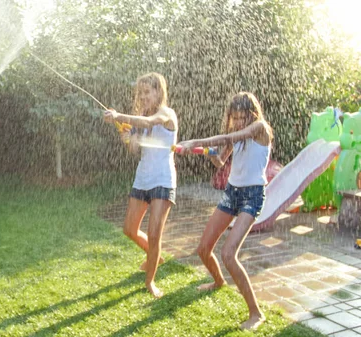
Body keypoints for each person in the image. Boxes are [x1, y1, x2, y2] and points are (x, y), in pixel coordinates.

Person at [177, 91, 273, 330]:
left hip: (252, 195)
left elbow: (233, 135)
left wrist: (197, 142)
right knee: (203, 249)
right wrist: (206, 154)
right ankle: (218, 282)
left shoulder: (259, 128)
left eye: (243, 117)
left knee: (229, 254)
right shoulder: (235, 137)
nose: (239, 122)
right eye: (235, 117)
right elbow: (221, 161)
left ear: (252, 115)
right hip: (232, 192)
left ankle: (256, 313)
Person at [104, 72, 178, 298]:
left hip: (162, 180)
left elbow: (150, 121)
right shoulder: (139, 120)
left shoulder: (166, 114)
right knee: (129, 229)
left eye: (148, 92)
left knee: (154, 234)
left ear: (159, 92)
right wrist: (125, 135)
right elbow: (134, 149)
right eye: (141, 93)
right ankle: (155, 255)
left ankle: (150, 282)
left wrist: (118, 116)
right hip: (142, 179)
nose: (144, 96)